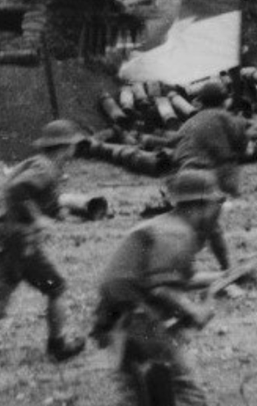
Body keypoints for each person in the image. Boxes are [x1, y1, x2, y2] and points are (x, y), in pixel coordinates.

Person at [89, 170, 229, 406]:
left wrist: (225, 276)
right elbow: (161, 288)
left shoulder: (165, 226)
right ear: (202, 205)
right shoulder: (177, 234)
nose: (219, 210)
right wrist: (194, 312)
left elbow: (175, 279)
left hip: (118, 321)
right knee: (187, 395)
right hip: (141, 324)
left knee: (141, 398)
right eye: (217, 203)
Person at [0, 119, 88, 362]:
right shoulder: (45, 168)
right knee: (57, 289)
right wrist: (37, 218)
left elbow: (40, 199)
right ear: (65, 146)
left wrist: (67, 216)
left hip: (4, 238)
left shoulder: (41, 164)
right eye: (73, 144)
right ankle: (58, 346)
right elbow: (17, 190)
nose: (75, 149)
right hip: (21, 242)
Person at [170, 79, 248, 197]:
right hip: (211, 177)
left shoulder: (189, 122)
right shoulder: (225, 117)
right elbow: (241, 147)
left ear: (202, 102)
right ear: (224, 101)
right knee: (230, 161)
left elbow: (175, 147)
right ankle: (232, 193)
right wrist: (241, 124)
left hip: (183, 177)